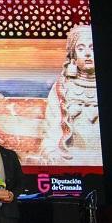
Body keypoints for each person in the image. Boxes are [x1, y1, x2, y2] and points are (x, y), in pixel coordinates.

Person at [41, 24, 100, 165]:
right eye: (81, 48)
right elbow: (51, 132)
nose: (87, 53)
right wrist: (52, 152)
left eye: (92, 48)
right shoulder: (61, 88)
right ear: (73, 56)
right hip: (72, 157)